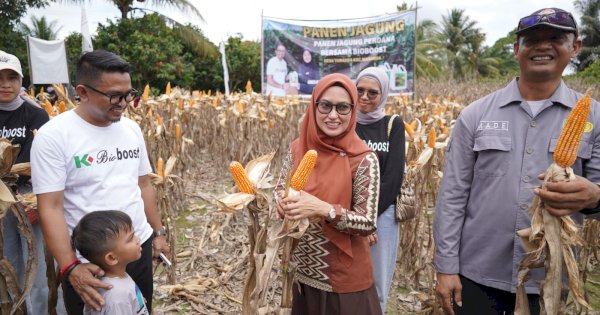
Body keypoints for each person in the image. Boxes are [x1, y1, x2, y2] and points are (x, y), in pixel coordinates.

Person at [433, 8, 600, 315]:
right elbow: (452, 197)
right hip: (477, 272)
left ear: (575, 47)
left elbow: (597, 193)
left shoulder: (596, 118)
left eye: (555, 38)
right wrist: (445, 267)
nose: (542, 46)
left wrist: (595, 198)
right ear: (516, 50)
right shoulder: (476, 115)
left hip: (548, 278)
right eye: (531, 39)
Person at [31, 49, 171, 315]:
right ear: (82, 92)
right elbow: (50, 207)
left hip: (136, 249)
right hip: (93, 263)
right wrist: (70, 267)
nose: (123, 103)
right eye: (114, 96)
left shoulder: (131, 129)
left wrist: (158, 233)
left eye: (129, 94)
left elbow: (144, 185)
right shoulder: (54, 137)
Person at [275, 73, 382, 315]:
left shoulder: (364, 159)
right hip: (302, 272)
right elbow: (281, 187)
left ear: (353, 111)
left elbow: (367, 223)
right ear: (314, 106)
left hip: (344, 281)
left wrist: (323, 208)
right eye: (325, 105)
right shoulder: (296, 148)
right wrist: (280, 203)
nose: (333, 115)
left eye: (342, 107)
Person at [0, 50, 52, 315]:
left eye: (11, 77)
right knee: (7, 261)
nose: (5, 84)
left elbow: (42, 160)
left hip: (28, 195)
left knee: (36, 262)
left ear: (21, 80)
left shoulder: (35, 114)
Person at [354, 67, 405, 313]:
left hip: (381, 215)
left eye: (372, 93)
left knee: (377, 284)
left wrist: (368, 220)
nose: (364, 97)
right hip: (346, 212)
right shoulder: (345, 122)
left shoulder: (392, 125)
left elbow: (393, 178)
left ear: (383, 94)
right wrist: (354, 219)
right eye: (360, 90)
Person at [71, 211, 149, 315]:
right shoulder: (116, 298)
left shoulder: (119, 278)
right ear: (112, 258)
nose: (138, 240)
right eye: (131, 239)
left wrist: (136, 301)